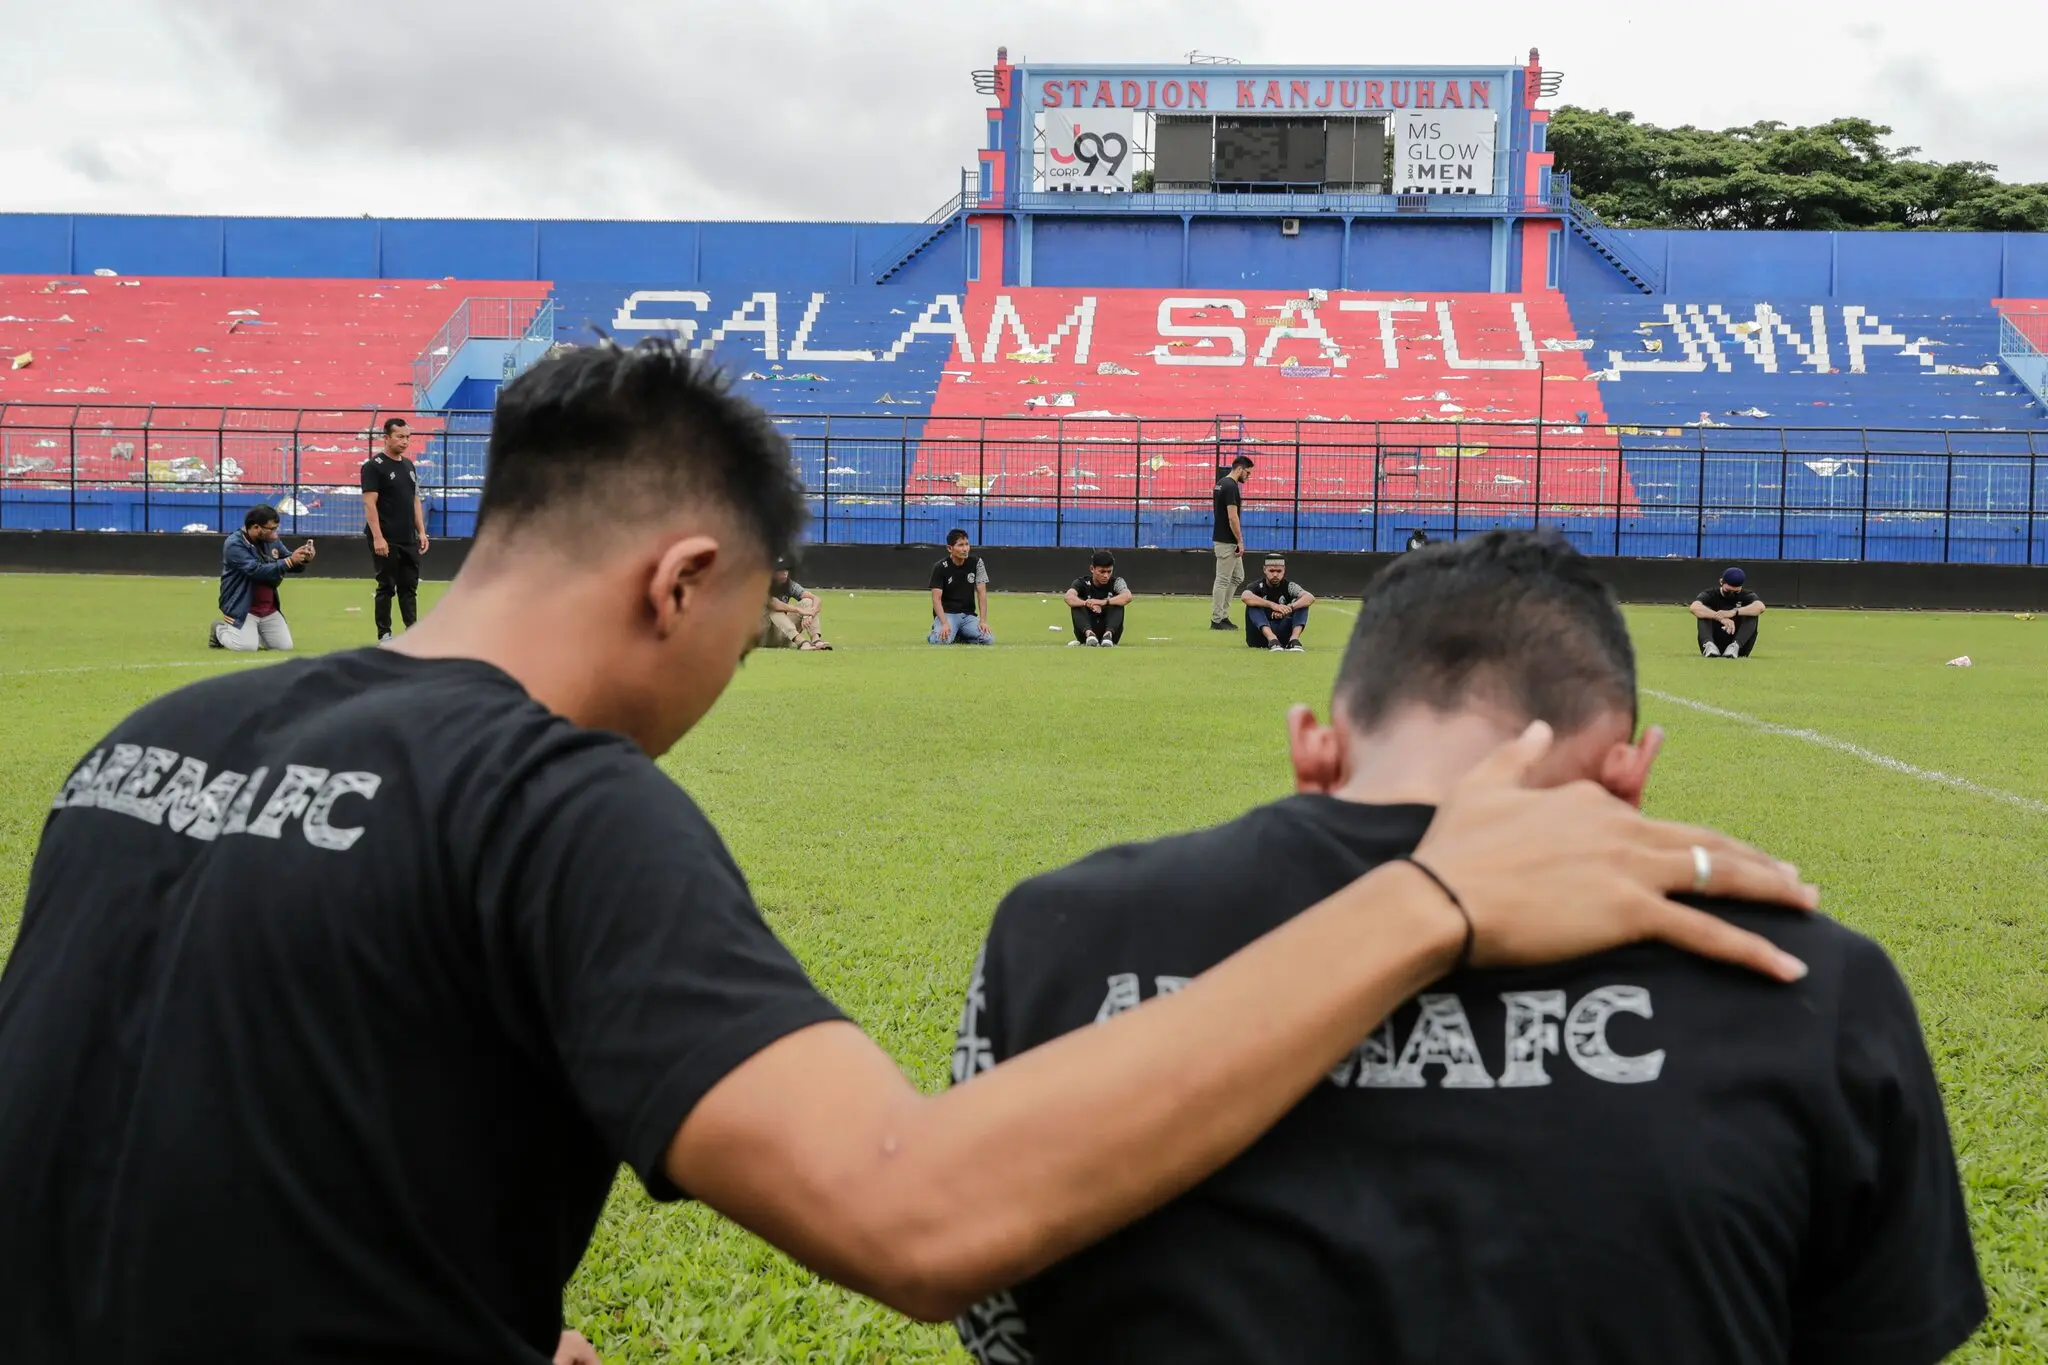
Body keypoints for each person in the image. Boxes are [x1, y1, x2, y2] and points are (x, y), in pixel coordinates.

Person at [0, 341, 1819, 1365]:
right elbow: (917, 1214)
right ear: (683, 579)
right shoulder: (553, 802)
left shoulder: (153, 740)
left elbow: (172, 1159)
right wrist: (1426, 897)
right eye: (757, 613)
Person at [951, 529, 1982, 1365]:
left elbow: (992, 1311)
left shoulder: (1059, 930)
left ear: (1314, 744)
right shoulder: (1807, 977)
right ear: (1627, 772)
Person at [209, 504, 314, 652]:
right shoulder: (234, 544)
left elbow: (288, 561)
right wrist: (290, 560)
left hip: (268, 608)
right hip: (242, 607)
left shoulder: (272, 541)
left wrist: (303, 558)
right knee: (246, 647)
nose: (275, 533)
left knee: (284, 647)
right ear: (257, 527)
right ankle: (220, 630)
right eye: (271, 529)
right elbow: (256, 570)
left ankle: (252, 632)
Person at [361, 416, 429, 643]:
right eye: (400, 437)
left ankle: (413, 632)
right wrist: (378, 538)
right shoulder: (373, 467)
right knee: (386, 586)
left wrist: (421, 531)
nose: (405, 442)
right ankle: (385, 634)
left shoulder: (409, 466)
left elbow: (415, 500)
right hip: (386, 538)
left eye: (408, 437)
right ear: (386, 437)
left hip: (408, 537)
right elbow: (370, 504)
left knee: (409, 587)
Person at [929, 529, 994, 645]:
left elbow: (982, 592)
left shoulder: (977, 563)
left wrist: (983, 621)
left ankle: (958, 634)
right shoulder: (940, 567)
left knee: (988, 639)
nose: (965, 549)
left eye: (967, 544)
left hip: (968, 616)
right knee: (940, 641)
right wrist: (944, 623)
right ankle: (936, 632)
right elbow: (936, 599)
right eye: (960, 545)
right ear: (950, 548)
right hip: (948, 615)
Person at [1210, 455, 1253, 631]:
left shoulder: (1221, 483)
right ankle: (1217, 619)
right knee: (1222, 579)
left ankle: (1223, 615)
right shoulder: (1231, 487)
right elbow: (1232, 517)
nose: (1248, 476)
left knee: (1237, 577)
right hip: (1227, 541)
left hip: (1224, 539)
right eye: (1247, 473)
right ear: (1240, 469)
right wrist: (1239, 541)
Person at [1241, 555, 1316, 651]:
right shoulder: (1257, 586)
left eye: (1279, 571)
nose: (1275, 575)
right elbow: (1245, 596)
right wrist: (1274, 606)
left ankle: (1294, 640)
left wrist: (1289, 608)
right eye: (1271, 571)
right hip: (1258, 637)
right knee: (1252, 604)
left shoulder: (1289, 586)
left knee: (1302, 603)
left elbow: (1310, 597)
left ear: (1284, 570)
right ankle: (1272, 639)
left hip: (1283, 635)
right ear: (1265, 570)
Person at [1691, 566, 1765, 657]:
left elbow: (1760, 607)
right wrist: (1718, 617)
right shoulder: (1711, 594)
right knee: (1704, 611)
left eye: (1736, 592)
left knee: (1752, 612)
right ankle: (1709, 645)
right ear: (1721, 582)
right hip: (1715, 639)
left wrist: (1734, 612)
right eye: (1728, 591)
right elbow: (1694, 607)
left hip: (1739, 646)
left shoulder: (1747, 595)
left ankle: (1735, 646)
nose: (1731, 595)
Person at [1064, 551, 1133, 647]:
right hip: (1085, 632)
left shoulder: (1117, 582)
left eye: (1109, 571)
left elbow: (1128, 596)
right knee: (1076, 603)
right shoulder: (1082, 582)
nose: (1106, 576)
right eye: (1102, 572)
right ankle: (1090, 635)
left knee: (1118, 602)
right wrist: (1086, 603)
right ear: (1092, 569)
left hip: (1111, 633)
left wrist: (1103, 602)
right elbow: (1068, 597)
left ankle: (1107, 636)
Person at [762, 561, 830, 650]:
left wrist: (810, 613)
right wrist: (799, 610)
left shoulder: (789, 584)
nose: (785, 572)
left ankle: (816, 640)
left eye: (786, 569)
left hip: (783, 633)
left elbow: (816, 598)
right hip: (764, 636)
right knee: (773, 610)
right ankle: (801, 642)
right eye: (780, 570)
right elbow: (774, 604)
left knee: (808, 602)